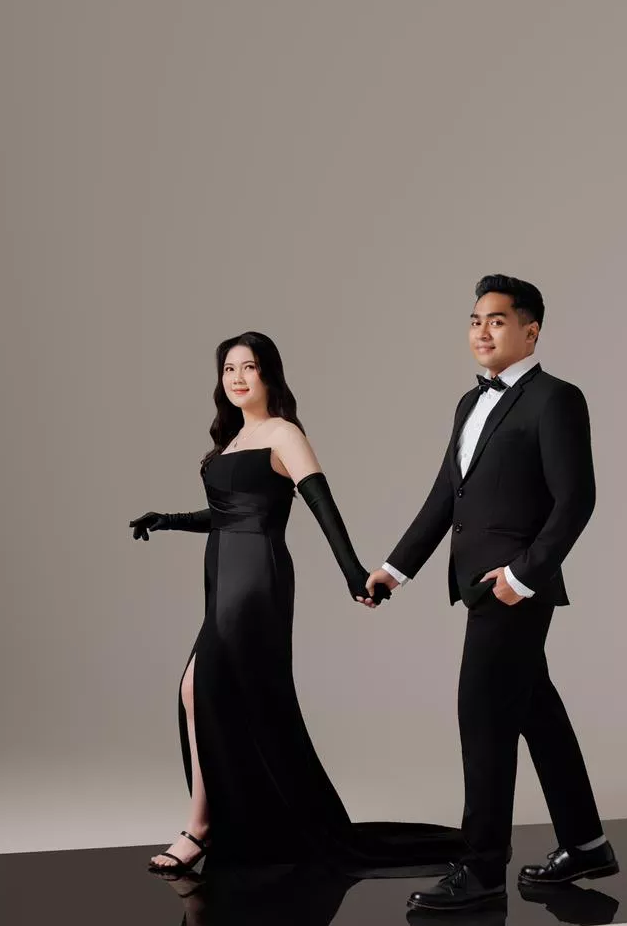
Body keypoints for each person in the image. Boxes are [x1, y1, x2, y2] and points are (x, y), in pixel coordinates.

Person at [129, 331, 463, 878]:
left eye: (249, 367)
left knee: (197, 687)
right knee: (206, 692)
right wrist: (167, 519)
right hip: (222, 576)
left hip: (257, 578)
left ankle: (200, 826)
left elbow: (321, 507)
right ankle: (222, 821)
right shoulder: (233, 440)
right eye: (228, 369)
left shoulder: (284, 434)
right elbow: (227, 513)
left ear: (269, 374)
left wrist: (354, 573)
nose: (237, 378)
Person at [363, 274, 617, 911]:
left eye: (497, 320)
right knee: (537, 713)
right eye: (475, 320)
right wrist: (394, 569)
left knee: (482, 719)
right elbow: (445, 495)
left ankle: (481, 873)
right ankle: (586, 844)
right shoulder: (467, 404)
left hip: (512, 589)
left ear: (531, 331)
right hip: (476, 584)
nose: (482, 331)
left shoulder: (556, 399)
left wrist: (520, 578)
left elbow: (576, 500)